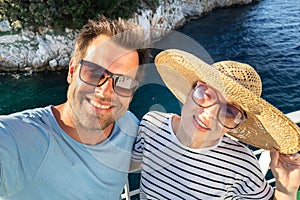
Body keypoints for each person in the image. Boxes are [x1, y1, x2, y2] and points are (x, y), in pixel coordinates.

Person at [0, 16, 151, 199]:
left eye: (124, 82)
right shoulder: (17, 140)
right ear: (72, 71)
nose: (105, 91)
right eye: (95, 72)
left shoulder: (129, 128)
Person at [131, 49, 300, 199]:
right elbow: (127, 163)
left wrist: (286, 190)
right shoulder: (151, 125)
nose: (210, 114)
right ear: (191, 89)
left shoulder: (241, 163)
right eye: (207, 95)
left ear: (236, 123)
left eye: (229, 112)